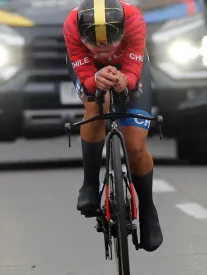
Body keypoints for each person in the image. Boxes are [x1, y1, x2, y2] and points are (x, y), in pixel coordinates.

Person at [63, 0, 163, 252]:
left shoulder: (133, 19)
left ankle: (148, 207)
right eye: (95, 44)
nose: (104, 50)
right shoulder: (72, 25)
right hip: (89, 69)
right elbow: (83, 70)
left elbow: (132, 68)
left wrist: (125, 80)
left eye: (110, 42)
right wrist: (94, 80)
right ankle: (89, 184)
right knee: (94, 105)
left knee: (135, 145)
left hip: (129, 65)